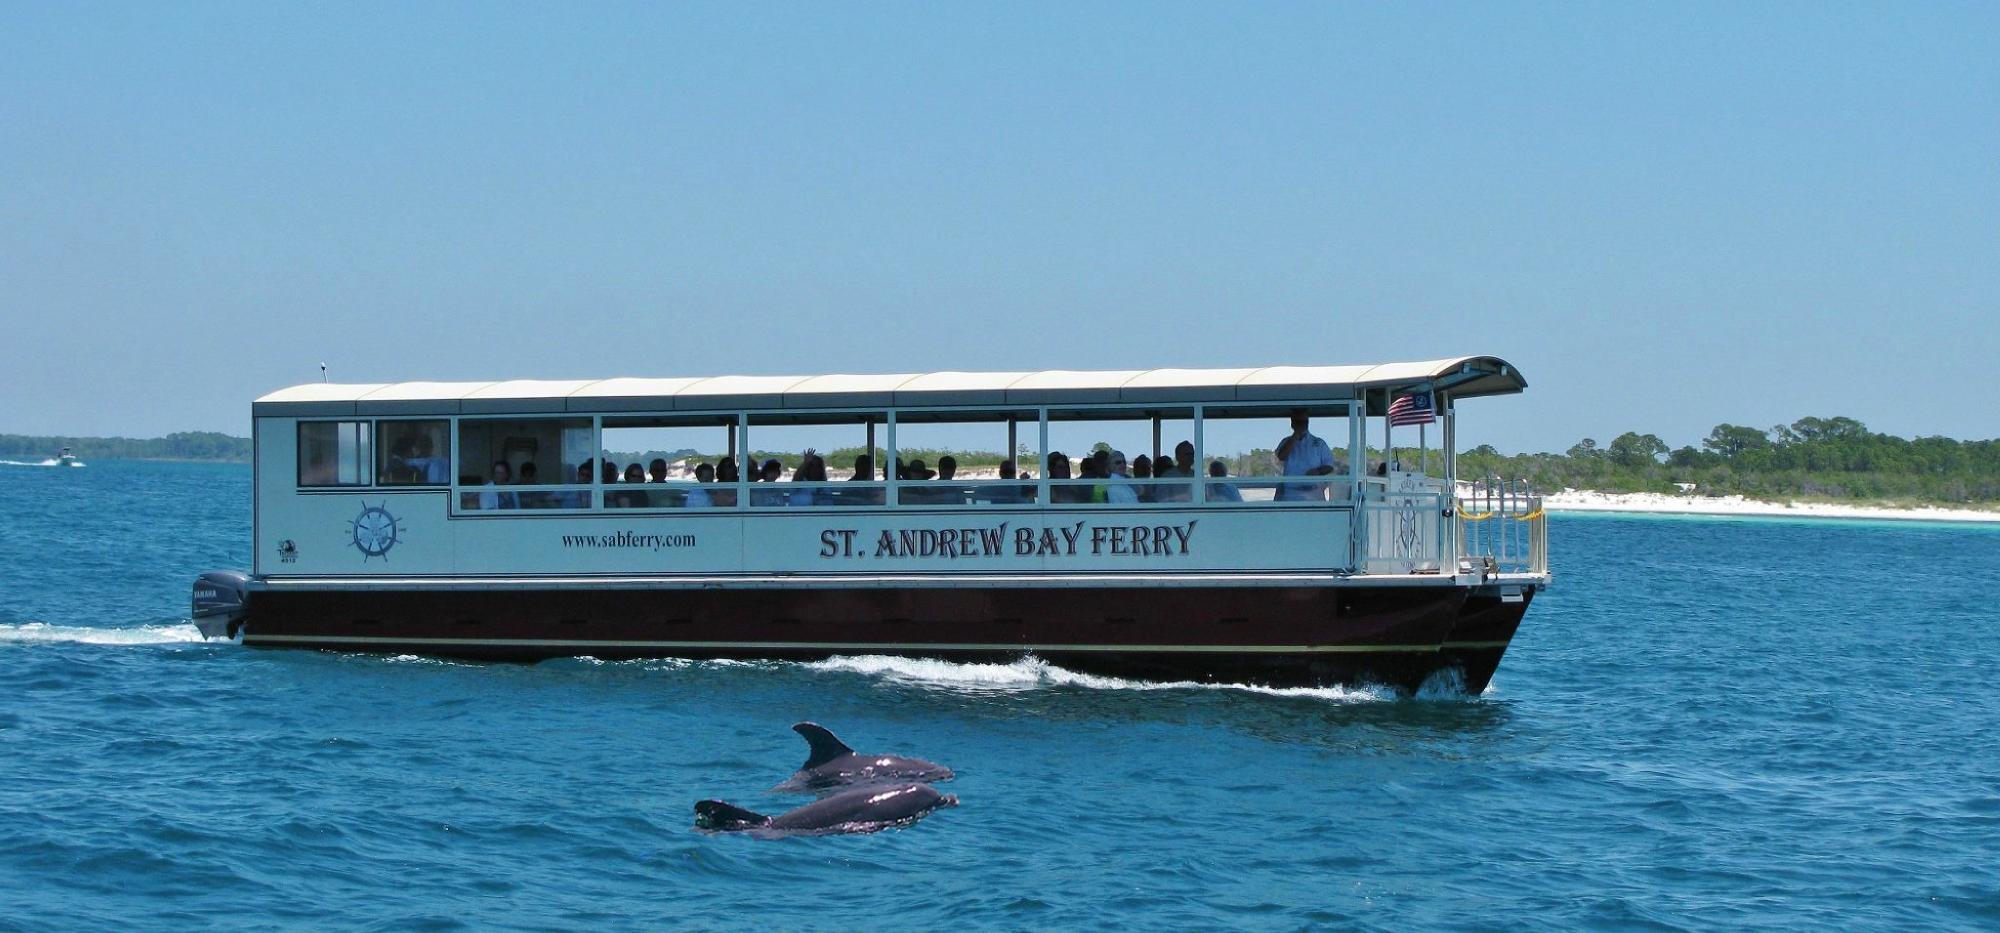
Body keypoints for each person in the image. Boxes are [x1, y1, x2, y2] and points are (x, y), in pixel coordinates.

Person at [1276, 410, 1337, 501]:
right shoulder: (1285, 442)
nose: (1302, 425)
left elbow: (1329, 465)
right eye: (1298, 422)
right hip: (1290, 494)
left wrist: (1318, 471)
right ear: (1292, 424)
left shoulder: (1318, 443)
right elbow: (1281, 456)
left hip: (1314, 494)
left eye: (1304, 422)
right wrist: (1295, 437)